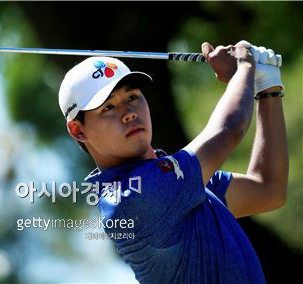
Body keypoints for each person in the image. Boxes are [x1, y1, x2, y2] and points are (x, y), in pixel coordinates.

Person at [57, 40, 288, 283]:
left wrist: (267, 88)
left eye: (133, 96)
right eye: (108, 107)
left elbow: (267, 189)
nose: (129, 112)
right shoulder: (131, 196)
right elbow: (229, 129)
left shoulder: (180, 180)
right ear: (77, 131)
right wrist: (244, 66)